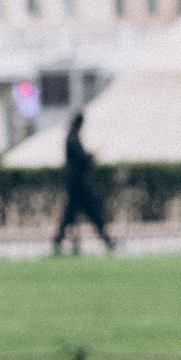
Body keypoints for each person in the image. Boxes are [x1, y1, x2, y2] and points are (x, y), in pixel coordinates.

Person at [51, 106, 114, 255]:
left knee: (70, 216)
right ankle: (107, 240)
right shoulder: (73, 139)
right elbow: (81, 159)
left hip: (75, 185)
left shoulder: (71, 137)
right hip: (78, 186)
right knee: (92, 213)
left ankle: (58, 241)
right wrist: (92, 155)